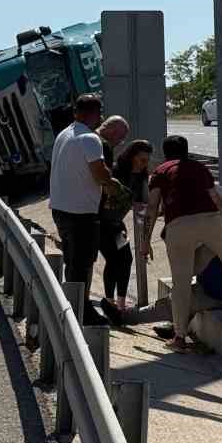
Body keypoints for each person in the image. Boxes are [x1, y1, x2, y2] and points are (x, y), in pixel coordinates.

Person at [144, 135, 222, 350]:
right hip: (211, 219)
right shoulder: (199, 167)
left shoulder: (160, 172)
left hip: (179, 225)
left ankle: (179, 338)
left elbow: (152, 208)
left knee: (181, 281)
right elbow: (214, 196)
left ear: (165, 153)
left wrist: (145, 241)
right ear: (186, 151)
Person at [48, 94, 115, 325]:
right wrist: (113, 185)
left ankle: (73, 306)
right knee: (83, 264)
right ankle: (82, 312)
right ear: (96, 114)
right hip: (80, 212)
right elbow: (100, 174)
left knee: (73, 262)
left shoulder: (64, 134)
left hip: (61, 208)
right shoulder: (90, 138)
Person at [100, 138, 152, 317]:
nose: (144, 164)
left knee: (126, 259)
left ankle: (120, 303)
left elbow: (143, 202)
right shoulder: (116, 172)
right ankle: (110, 301)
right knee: (114, 260)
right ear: (131, 157)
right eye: (141, 159)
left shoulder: (141, 176)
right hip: (101, 223)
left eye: (147, 160)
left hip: (116, 224)